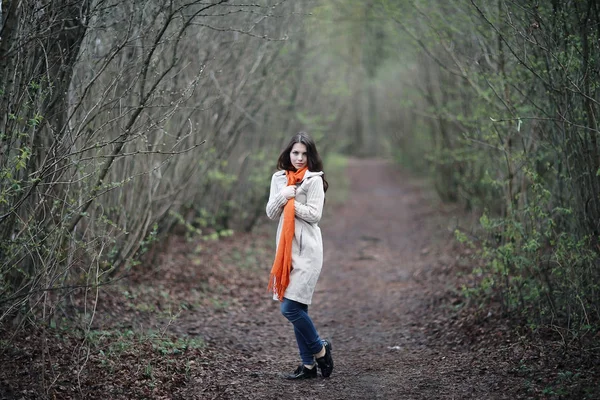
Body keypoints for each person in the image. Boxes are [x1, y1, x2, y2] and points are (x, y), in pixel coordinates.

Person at [265, 132, 334, 380]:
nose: (300, 158)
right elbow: (271, 212)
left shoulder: (314, 180)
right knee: (298, 308)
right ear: (288, 153)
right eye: (296, 153)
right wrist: (284, 195)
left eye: (305, 154)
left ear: (310, 155)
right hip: (286, 252)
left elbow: (315, 215)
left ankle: (320, 349)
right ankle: (308, 366)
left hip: (308, 252)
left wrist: (294, 203)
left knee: (290, 308)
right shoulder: (279, 178)